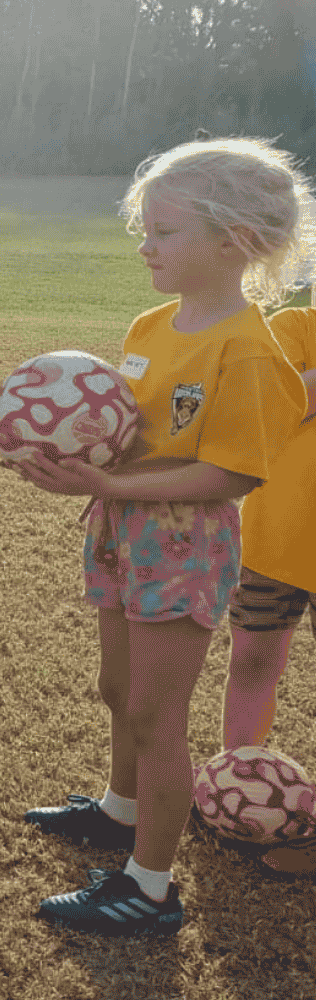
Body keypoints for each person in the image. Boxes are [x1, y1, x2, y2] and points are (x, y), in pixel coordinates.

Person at [13, 135, 310, 935]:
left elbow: (232, 475)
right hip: (121, 527)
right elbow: (126, 431)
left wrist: (110, 483)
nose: (146, 246)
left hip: (184, 542)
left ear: (233, 241)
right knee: (118, 693)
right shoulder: (151, 325)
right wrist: (72, 455)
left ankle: (148, 888)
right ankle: (119, 810)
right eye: (143, 229)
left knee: (156, 713)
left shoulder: (247, 350)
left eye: (165, 231)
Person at [221, 277, 316, 756]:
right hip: (272, 541)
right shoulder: (296, 325)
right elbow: (279, 406)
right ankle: (240, 774)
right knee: (254, 662)